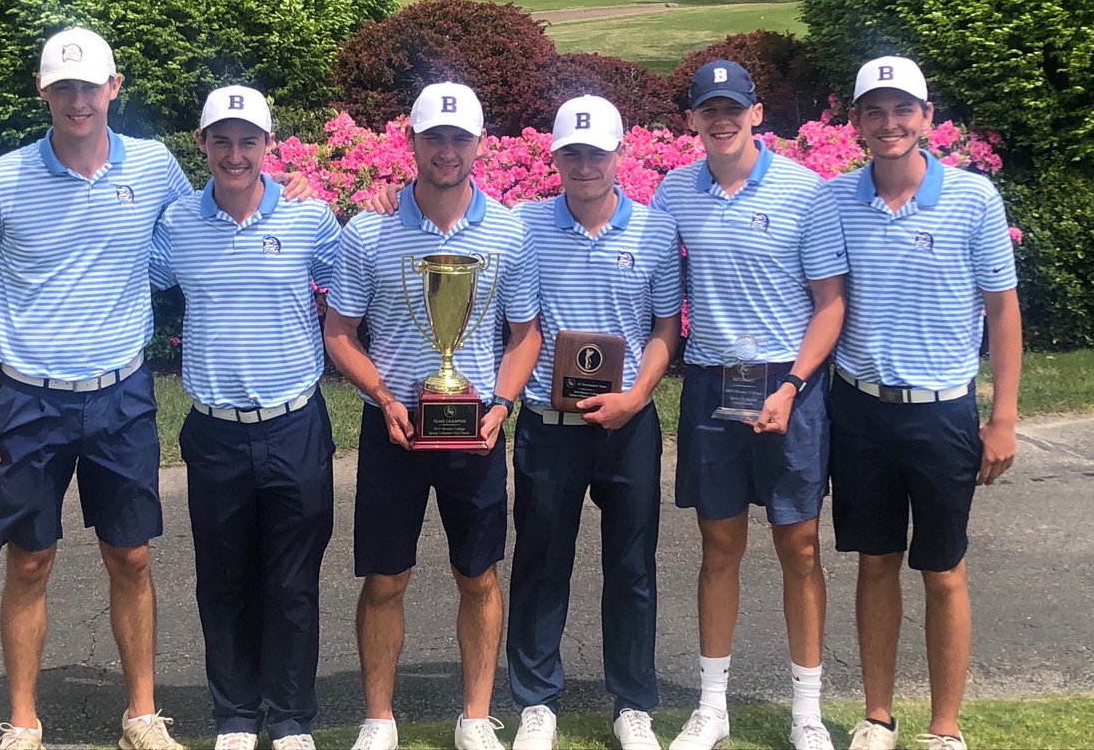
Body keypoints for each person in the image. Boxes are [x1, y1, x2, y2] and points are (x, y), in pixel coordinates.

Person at [0, 27, 307, 750]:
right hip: (29, 394)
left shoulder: (151, 167)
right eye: (64, 87)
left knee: (132, 554)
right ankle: (21, 720)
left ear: (114, 89)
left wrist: (288, 189)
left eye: (91, 87)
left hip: (121, 391)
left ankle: (141, 713)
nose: (79, 101)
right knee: (29, 557)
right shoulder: (0, 180)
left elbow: (211, 210)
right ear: (43, 91)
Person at [322, 81, 542, 750]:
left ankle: (475, 715)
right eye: (434, 136)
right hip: (393, 426)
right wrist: (385, 397)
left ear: (479, 143)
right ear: (411, 140)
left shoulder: (509, 229)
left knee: (476, 573)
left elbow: (525, 332)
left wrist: (501, 404)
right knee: (387, 575)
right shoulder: (370, 231)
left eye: (460, 137)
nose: (447, 150)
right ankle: (379, 718)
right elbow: (338, 331)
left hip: (473, 426)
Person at [650, 61, 847, 750]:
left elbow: (831, 303)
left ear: (757, 114)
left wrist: (792, 383)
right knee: (719, 545)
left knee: (799, 544)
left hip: (790, 382)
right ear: (694, 120)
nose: (722, 119)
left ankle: (807, 710)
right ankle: (712, 705)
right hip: (712, 381)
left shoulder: (805, 191)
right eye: (709, 109)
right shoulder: (675, 190)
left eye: (734, 107)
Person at [827, 57, 1021, 750]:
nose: (889, 124)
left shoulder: (973, 198)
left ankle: (944, 727)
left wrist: (1002, 416)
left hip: (942, 410)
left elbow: (1002, 311)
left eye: (902, 109)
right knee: (875, 560)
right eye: (874, 111)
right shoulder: (836, 200)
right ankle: (877, 715)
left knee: (943, 568)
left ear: (927, 118)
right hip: (860, 407)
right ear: (856, 123)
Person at [148, 85, 340, 750]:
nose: (235, 154)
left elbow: (358, 282)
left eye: (248, 140)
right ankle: (235, 715)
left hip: (294, 422)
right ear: (202, 144)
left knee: (292, 582)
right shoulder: (175, 225)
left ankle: (289, 718)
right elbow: (126, 273)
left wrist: (380, 215)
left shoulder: (312, 221)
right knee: (223, 579)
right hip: (215, 429)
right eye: (221, 140)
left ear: (268, 146)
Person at [504, 96, 681, 750]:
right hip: (549, 423)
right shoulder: (523, 225)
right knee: (542, 560)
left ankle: (632, 702)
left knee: (631, 566)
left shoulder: (655, 231)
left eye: (597, 152)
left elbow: (665, 327)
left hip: (627, 423)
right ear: (555, 157)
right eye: (572, 153)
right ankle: (537, 700)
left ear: (619, 155)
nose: (585, 165)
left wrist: (635, 394)